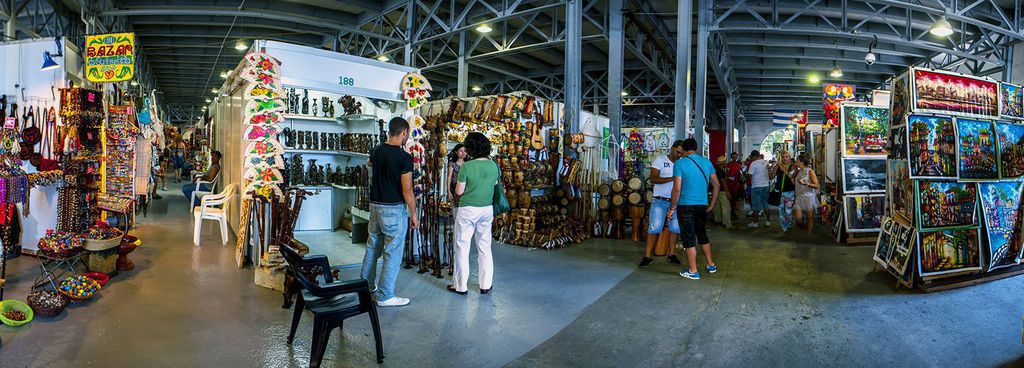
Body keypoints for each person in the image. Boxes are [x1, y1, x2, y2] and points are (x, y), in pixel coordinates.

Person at [361, 117, 418, 307]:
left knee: (372, 248)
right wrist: (414, 213)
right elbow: (407, 189)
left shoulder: (377, 150)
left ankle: (365, 288)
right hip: (393, 209)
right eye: (407, 134)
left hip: (375, 206)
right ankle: (385, 296)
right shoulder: (404, 158)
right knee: (392, 252)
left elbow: (368, 164)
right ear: (404, 132)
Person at [449, 133, 500, 295]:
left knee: (462, 247)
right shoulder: (493, 165)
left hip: (467, 210)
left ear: (471, 148)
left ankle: (460, 286)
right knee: (485, 247)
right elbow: (495, 183)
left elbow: (459, 191)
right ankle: (485, 284)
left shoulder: (467, 166)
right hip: (486, 209)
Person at [667, 138, 719, 280]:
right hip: (702, 205)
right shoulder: (707, 163)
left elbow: (677, 188)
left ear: (683, 149)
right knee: (702, 235)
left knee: (688, 238)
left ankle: (693, 270)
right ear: (697, 148)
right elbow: (717, 185)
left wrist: (672, 207)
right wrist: (712, 204)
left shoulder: (679, 163)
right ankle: (711, 264)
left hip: (685, 205)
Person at [639, 140, 684, 267]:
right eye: (677, 152)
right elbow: (653, 179)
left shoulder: (681, 164)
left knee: (674, 228)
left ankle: (672, 254)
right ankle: (647, 255)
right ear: (672, 148)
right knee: (654, 228)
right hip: (660, 200)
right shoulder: (660, 160)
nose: (679, 155)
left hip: (675, 201)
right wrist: (672, 178)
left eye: (681, 153)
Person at [792, 154, 821, 235]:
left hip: (809, 198)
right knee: (798, 218)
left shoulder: (810, 171)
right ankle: (803, 228)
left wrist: (807, 183)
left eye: (797, 160)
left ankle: (809, 235)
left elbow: (816, 185)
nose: (796, 162)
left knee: (810, 218)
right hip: (799, 197)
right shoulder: (798, 171)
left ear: (801, 162)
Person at [770, 151, 796, 232]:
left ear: (790, 157)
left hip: (790, 192)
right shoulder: (778, 166)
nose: (785, 159)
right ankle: (784, 227)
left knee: (788, 211)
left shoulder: (793, 166)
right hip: (780, 191)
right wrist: (773, 168)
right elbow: (771, 177)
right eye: (783, 157)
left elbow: (791, 175)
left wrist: (782, 167)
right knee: (781, 211)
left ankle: (789, 224)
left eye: (786, 157)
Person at [746, 151, 770, 228]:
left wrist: (745, 174)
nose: (751, 159)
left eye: (751, 157)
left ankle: (755, 222)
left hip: (756, 186)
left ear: (754, 156)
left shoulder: (754, 163)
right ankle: (768, 221)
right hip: (766, 186)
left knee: (756, 205)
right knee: (765, 204)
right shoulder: (765, 162)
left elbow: (749, 174)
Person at [712, 156, 733, 228]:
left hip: (715, 191)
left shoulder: (715, 170)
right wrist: (727, 192)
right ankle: (727, 223)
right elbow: (723, 182)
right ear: (723, 163)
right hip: (721, 191)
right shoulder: (721, 171)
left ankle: (718, 220)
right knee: (726, 207)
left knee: (717, 207)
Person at [445, 144, 467, 209]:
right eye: (461, 151)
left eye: (465, 151)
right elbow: (449, 177)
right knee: (455, 210)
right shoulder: (452, 163)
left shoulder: (468, 164)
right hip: (454, 188)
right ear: (456, 152)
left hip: (466, 190)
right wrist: (448, 191)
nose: (463, 153)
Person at [724, 152, 744, 218]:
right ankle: (729, 213)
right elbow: (725, 174)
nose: (734, 158)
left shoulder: (739, 165)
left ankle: (732, 212)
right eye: (733, 157)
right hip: (728, 184)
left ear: (737, 157)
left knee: (734, 200)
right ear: (731, 157)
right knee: (729, 200)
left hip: (735, 185)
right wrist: (728, 177)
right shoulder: (728, 165)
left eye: (735, 157)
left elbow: (741, 176)